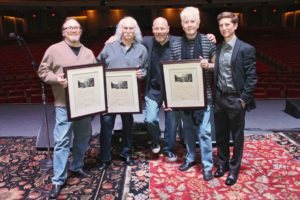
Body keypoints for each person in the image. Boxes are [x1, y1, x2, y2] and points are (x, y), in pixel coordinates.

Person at [38, 17, 95, 199]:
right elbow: (42, 71)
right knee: (62, 141)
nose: (73, 30)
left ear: (81, 31)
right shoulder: (54, 49)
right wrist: (56, 79)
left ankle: (77, 166)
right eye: (69, 28)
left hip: (84, 106)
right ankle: (58, 180)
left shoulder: (88, 52)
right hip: (64, 105)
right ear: (63, 31)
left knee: (83, 137)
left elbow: (95, 77)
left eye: (76, 27)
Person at [97, 16, 148, 170]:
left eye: (131, 28)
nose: (127, 31)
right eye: (124, 28)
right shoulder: (109, 46)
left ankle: (126, 154)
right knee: (106, 127)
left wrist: (142, 74)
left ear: (135, 31)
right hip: (109, 96)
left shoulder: (141, 49)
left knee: (128, 127)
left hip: (129, 97)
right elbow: (97, 64)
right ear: (120, 30)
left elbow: (145, 68)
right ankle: (105, 158)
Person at [172, 7, 216, 182]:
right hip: (184, 97)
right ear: (182, 25)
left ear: (198, 23)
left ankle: (207, 166)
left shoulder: (208, 42)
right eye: (186, 21)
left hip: (204, 95)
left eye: (193, 21)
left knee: (204, 132)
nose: (189, 24)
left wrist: (208, 65)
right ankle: (190, 159)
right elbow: (172, 73)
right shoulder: (175, 44)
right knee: (188, 131)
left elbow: (217, 65)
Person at [213, 12, 257, 185]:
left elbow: (252, 78)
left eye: (227, 25)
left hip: (236, 100)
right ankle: (222, 165)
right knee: (221, 136)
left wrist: (243, 100)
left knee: (237, 137)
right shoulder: (217, 48)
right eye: (221, 25)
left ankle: (233, 170)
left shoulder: (246, 49)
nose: (224, 28)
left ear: (235, 26)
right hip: (219, 98)